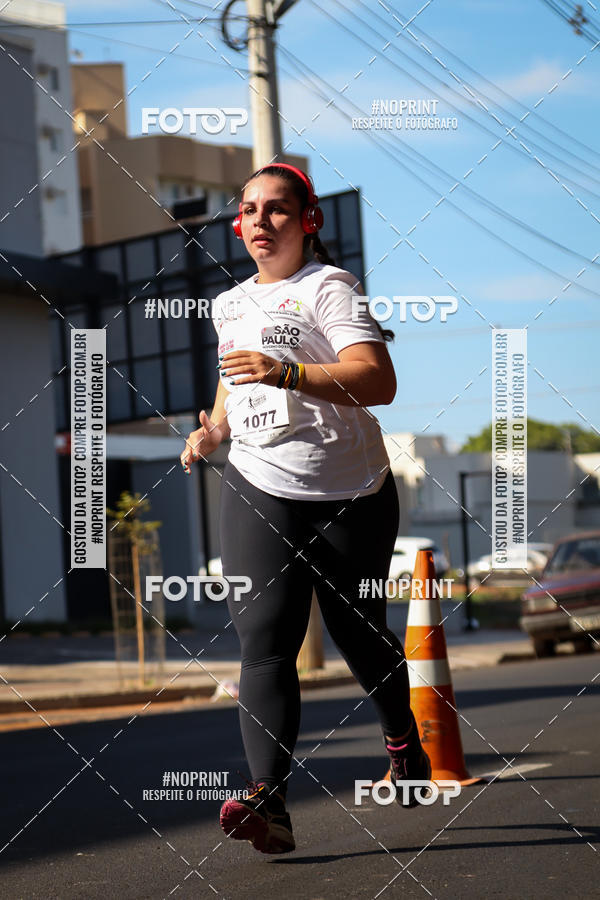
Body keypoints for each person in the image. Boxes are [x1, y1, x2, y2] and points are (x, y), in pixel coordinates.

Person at [180, 163, 430, 855]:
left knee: (360, 634)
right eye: (249, 210)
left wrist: (286, 371)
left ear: (307, 221)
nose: (260, 221)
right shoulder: (230, 305)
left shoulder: (330, 288)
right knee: (264, 641)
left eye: (277, 209)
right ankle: (270, 800)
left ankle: (403, 743)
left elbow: (377, 380)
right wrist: (214, 431)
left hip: (350, 489)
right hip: (258, 480)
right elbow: (235, 380)